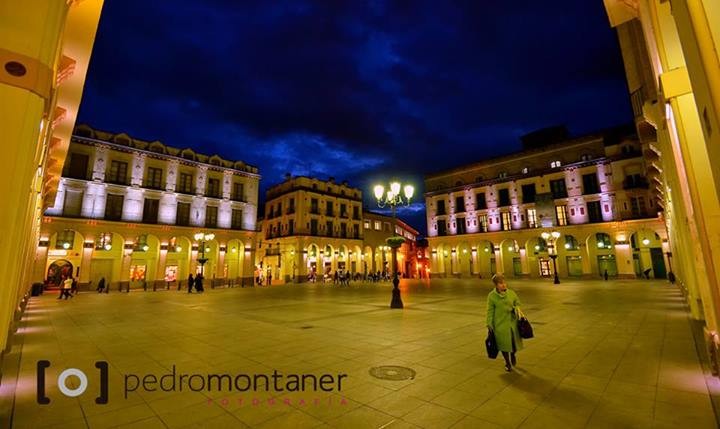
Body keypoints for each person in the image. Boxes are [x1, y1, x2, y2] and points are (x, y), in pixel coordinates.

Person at [486, 274, 523, 372]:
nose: (504, 285)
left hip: (512, 323)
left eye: (504, 283)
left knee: (513, 343)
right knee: (503, 344)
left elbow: (518, 303)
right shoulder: (492, 296)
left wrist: (515, 309)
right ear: (496, 285)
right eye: (501, 283)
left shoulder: (511, 293)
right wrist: (489, 323)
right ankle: (507, 362)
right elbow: (490, 310)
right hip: (500, 324)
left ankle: (513, 354)